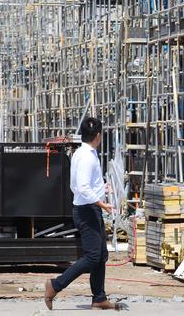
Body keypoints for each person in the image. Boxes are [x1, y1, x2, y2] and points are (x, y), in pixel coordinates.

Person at [44, 117, 120, 310]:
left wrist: (102, 188)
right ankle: (55, 285)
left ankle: (99, 298)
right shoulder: (87, 157)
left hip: (87, 208)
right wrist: (102, 204)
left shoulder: (82, 153)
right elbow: (83, 187)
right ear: (97, 135)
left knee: (101, 255)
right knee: (94, 256)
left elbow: (77, 184)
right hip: (87, 211)